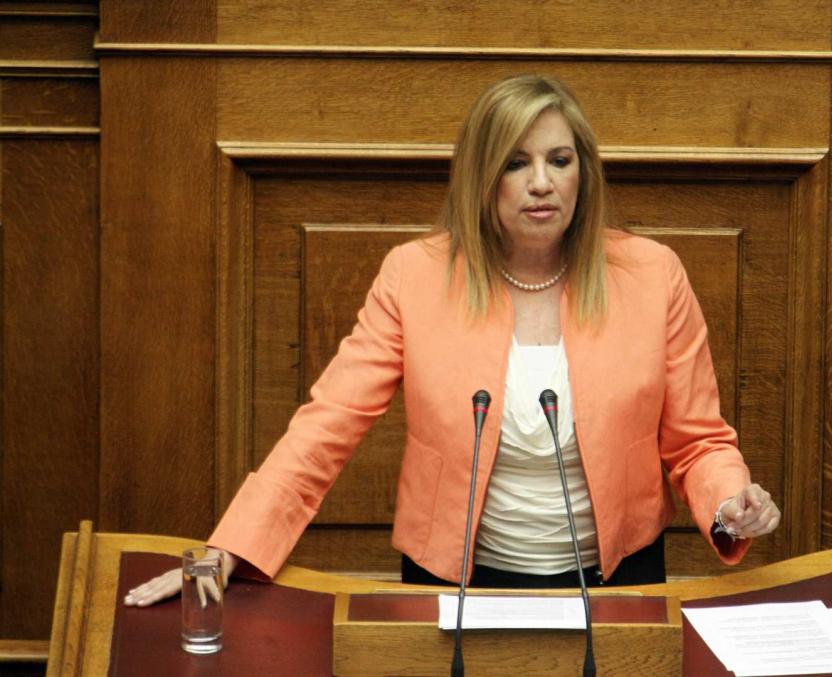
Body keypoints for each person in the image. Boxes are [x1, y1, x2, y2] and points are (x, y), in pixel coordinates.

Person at [125, 74, 780, 607]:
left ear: (584, 172)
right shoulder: (414, 276)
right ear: (481, 176)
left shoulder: (652, 274)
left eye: (559, 160)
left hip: (617, 582)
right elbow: (327, 426)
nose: (542, 182)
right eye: (516, 163)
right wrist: (232, 545)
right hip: (457, 585)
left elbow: (698, 440)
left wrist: (730, 501)